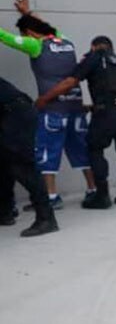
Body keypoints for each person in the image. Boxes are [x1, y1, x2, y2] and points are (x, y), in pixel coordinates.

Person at [1, 0, 95, 209]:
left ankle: (51, 198)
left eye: (24, 34)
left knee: (46, 154)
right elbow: (46, 28)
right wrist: (26, 12)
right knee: (82, 151)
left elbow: (4, 37)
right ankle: (93, 189)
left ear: (30, 33)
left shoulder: (36, 45)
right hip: (75, 108)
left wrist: (25, 22)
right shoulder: (66, 41)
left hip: (52, 110)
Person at [37, 36, 116, 209]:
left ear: (93, 47)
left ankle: (102, 196)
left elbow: (71, 81)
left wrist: (45, 99)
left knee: (94, 150)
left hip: (106, 115)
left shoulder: (95, 57)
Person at [0, 76, 58, 236]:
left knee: (22, 166)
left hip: (15, 113)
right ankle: (5, 212)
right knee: (3, 162)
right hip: (10, 112)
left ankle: (46, 219)